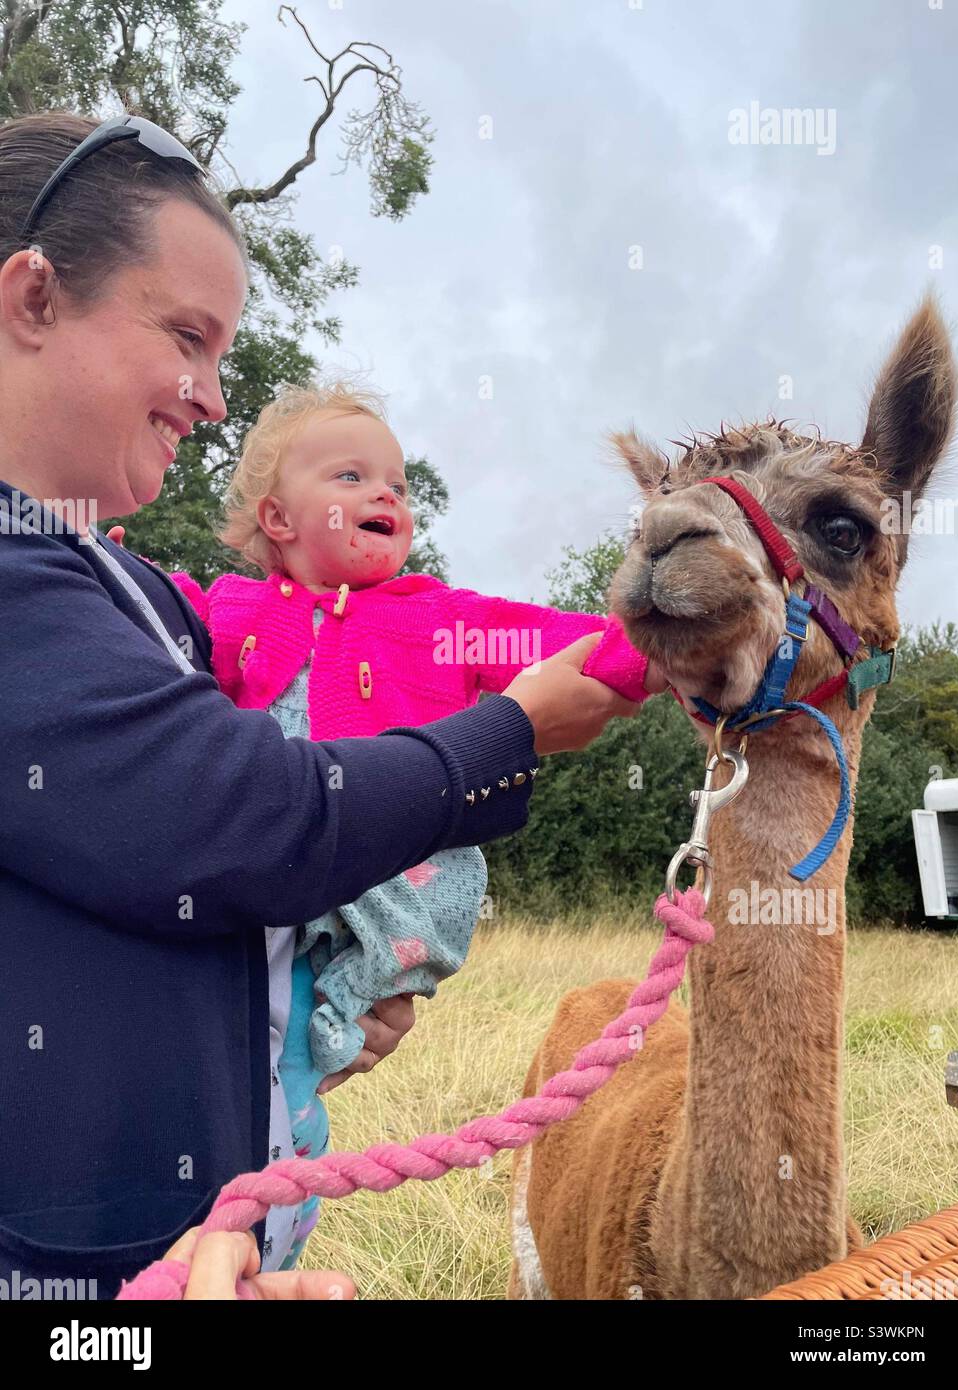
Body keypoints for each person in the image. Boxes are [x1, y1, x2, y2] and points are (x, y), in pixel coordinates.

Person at [0, 110, 663, 1299]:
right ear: (33, 296)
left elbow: (148, 881)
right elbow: (249, 819)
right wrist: (511, 731)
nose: (210, 397)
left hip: (177, 1258)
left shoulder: (134, 589)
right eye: (187, 337)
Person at [165, 380, 654, 1268]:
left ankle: (270, 1185)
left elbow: (555, 642)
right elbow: (150, 633)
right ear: (277, 517)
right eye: (351, 475)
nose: (387, 493)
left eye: (396, 481)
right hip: (269, 872)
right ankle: (264, 1200)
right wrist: (108, 571)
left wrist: (664, 641)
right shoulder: (230, 610)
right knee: (254, 1052)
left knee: (305, 1038)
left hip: (393, 885)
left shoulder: (439, 622)